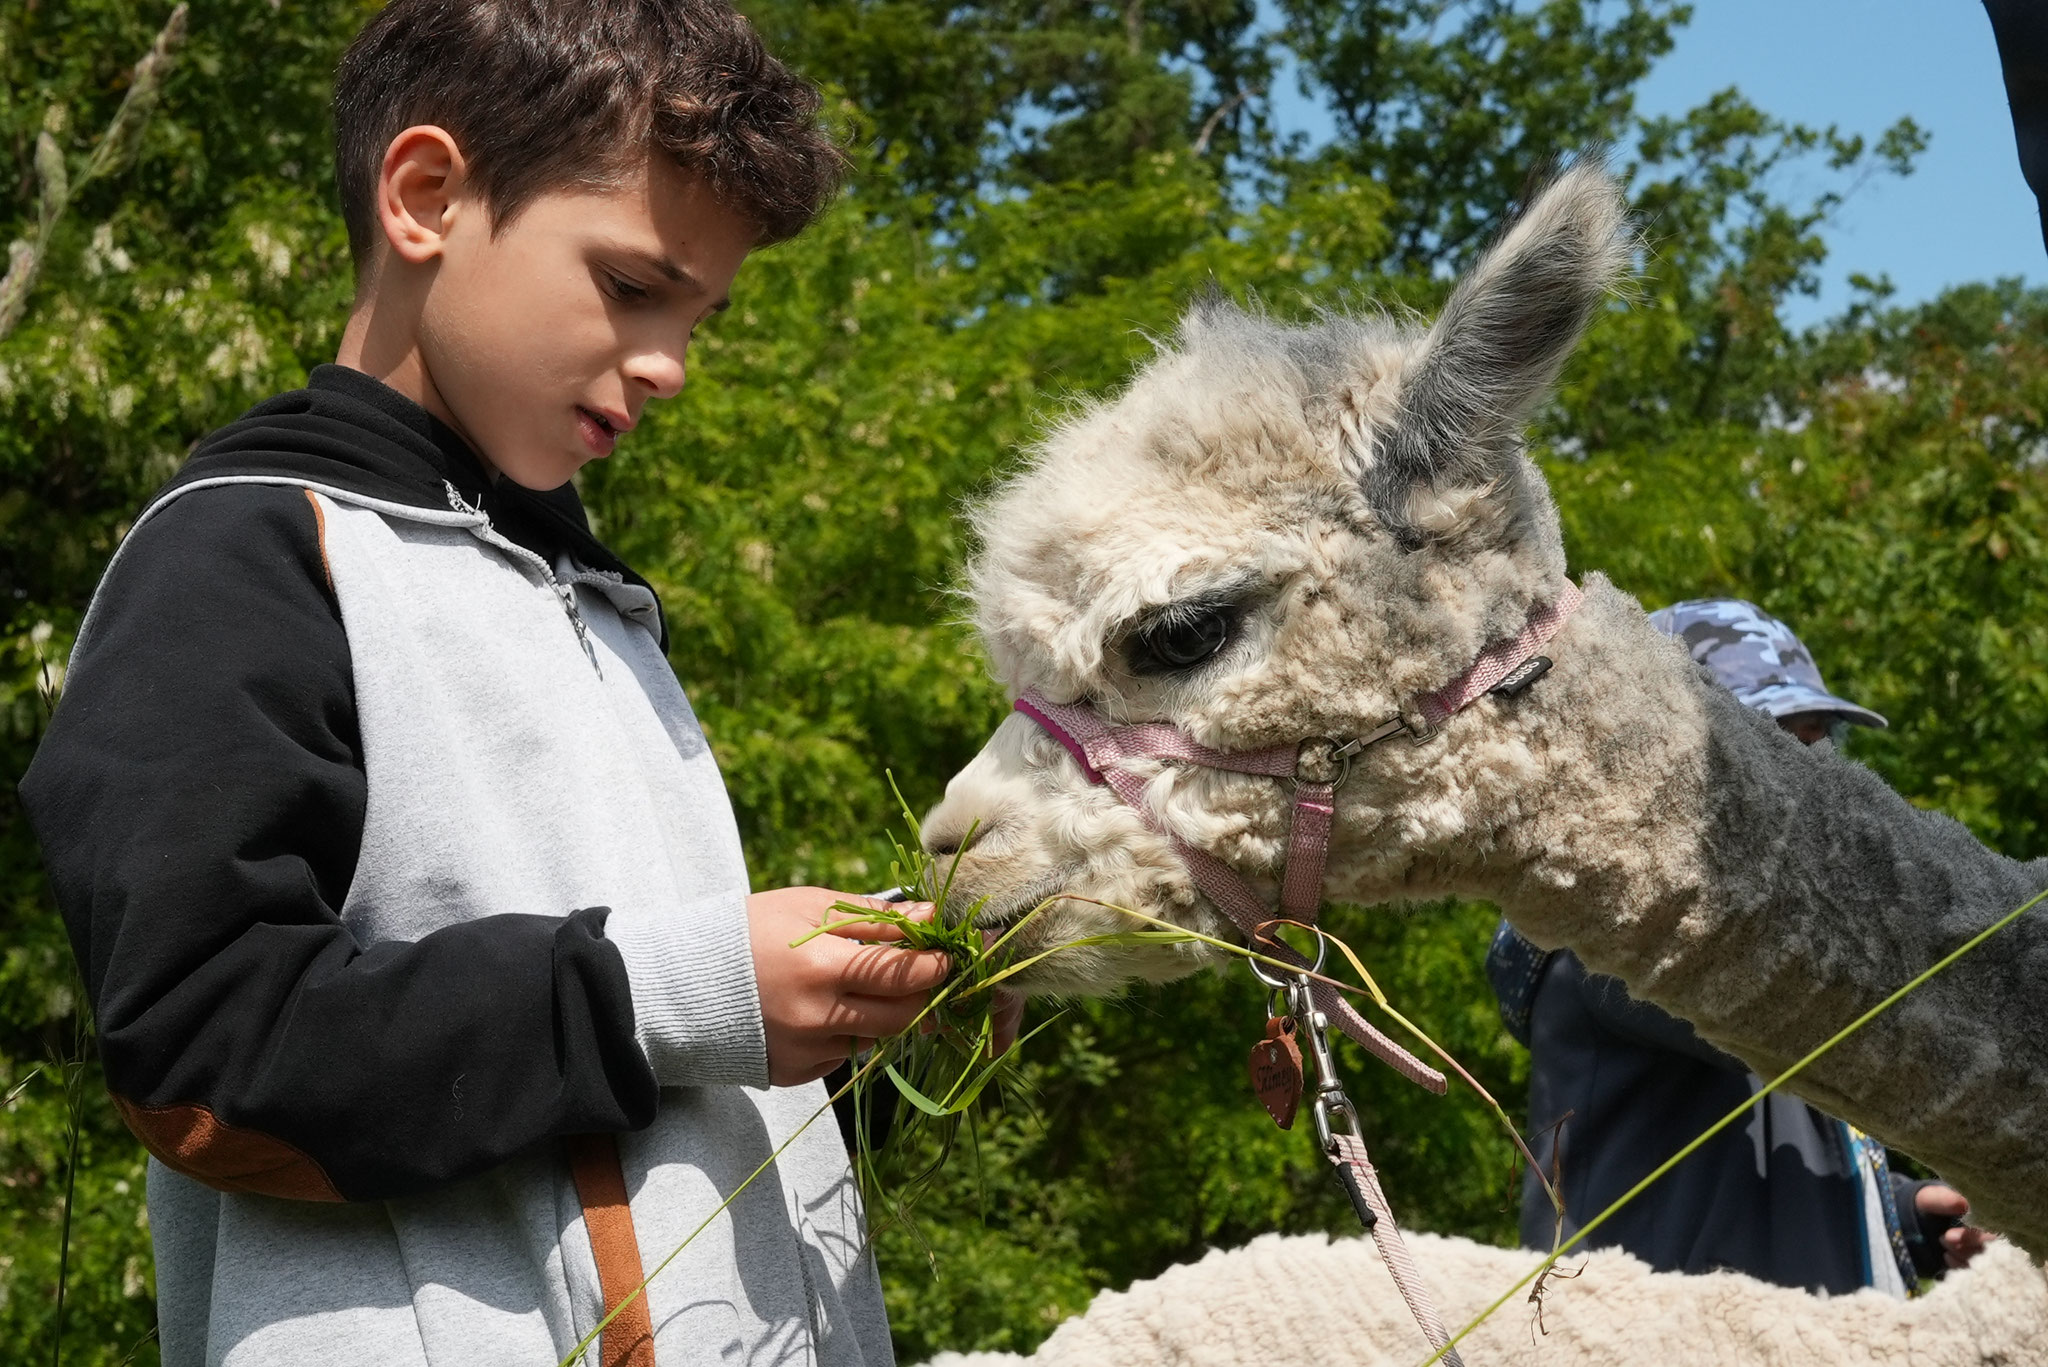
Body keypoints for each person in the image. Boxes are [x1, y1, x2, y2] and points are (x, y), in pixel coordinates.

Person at [17, 3, 1018, 1364]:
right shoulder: (246, 549)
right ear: (427, 195)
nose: (671, 365)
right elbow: (201, 1054)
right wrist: (675, 990)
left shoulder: (605, 611)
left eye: (701, 317)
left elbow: (640, 1086)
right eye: (632, 285)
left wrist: (865, 1028)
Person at [1487, 598, 1991, 1295]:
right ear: (1653, 757)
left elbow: (1774, 1169)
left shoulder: (1780, 931)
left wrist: (1907, 1220)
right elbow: (1845, 1018)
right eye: (1767, 746)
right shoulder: (1611, 934)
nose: (1809, 784)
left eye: (1813, 745)